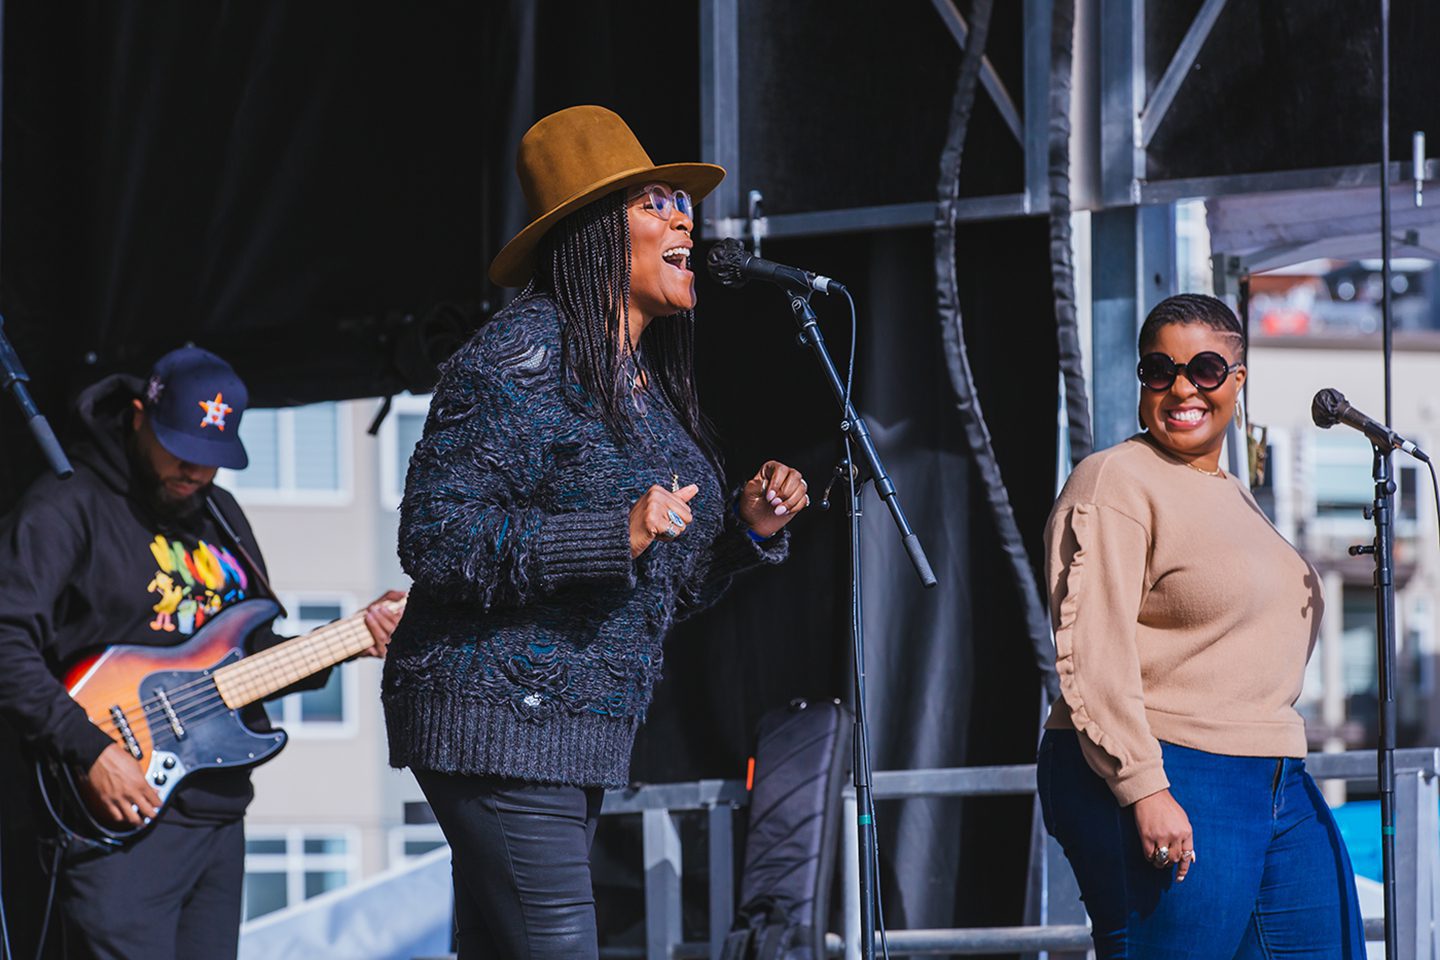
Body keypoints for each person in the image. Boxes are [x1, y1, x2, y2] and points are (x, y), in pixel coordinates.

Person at [382, 104, 808, 959]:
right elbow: (435, 536)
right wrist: (611, 533)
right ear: (591, 236)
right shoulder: (520, 358)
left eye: (680, 204)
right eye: (654, 203)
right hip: (497, 717)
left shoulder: (639, 385)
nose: (684, 216)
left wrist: (746, 534)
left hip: (568, 735)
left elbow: (658, 587)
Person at [0, 346, 403, 960]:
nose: (194, 472)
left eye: (212, 460)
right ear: (139, 416)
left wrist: (351, 640)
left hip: (216, 812)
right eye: (180, 451)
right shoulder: (68, 506)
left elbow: (253, 662)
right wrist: (92, 750)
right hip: (117, 821)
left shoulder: (221, 517)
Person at [1037, 293, 1365, 957]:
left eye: (1205, 368)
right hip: (1170, 761)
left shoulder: (1231, 493)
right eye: (1160, 370)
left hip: (1270, 770)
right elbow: (1091, 650)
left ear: (1237, 381)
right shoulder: (1117, 480)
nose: (1181, 387)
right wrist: (1144, 787)